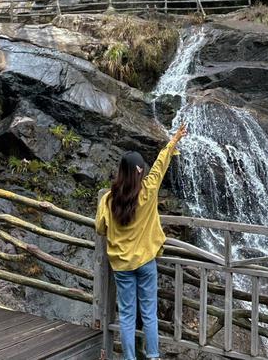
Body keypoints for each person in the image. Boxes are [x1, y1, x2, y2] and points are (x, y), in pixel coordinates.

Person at [95, 124, 187, 360]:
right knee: (149, 313)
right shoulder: (148, 190)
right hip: (146, 261)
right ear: (140, 172)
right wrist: (174, 139)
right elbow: (161, 164)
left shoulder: (108, 199)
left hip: (122, 265)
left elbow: (100, 228)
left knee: (126, 315)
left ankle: (129, 357)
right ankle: (153, 356)